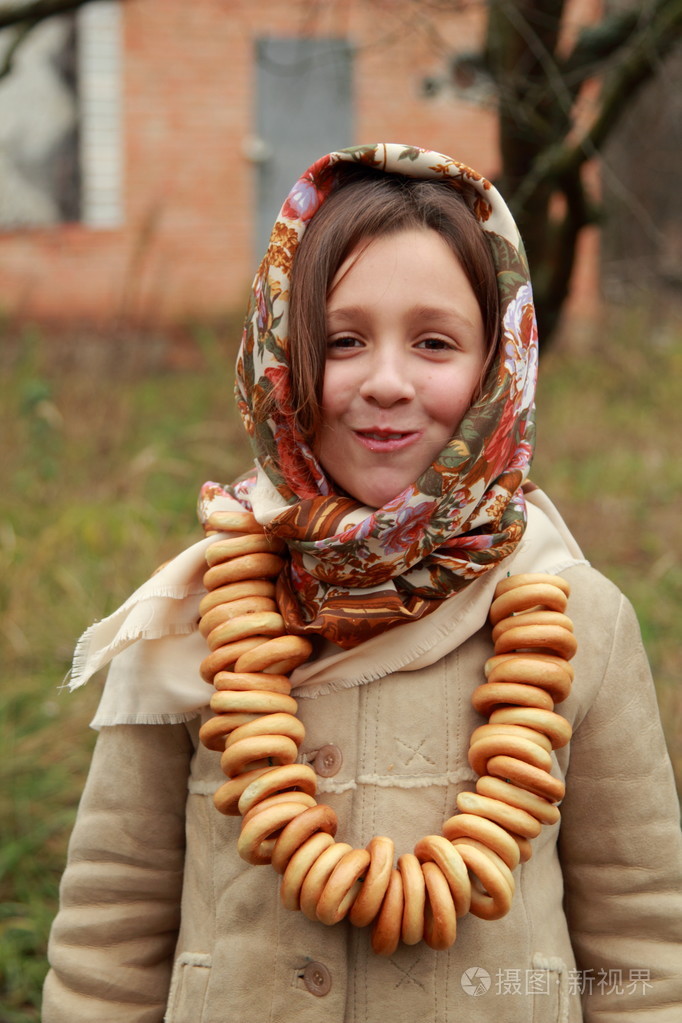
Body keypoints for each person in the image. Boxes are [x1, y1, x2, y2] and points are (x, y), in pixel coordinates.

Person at [42, 143, 682, 1023]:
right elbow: (108, 934)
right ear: (281, 359)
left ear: (499, 366)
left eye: (434, 342)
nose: (386, 382)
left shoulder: (580, 616)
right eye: (344, 341)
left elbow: (643, 948)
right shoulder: (197, 613)